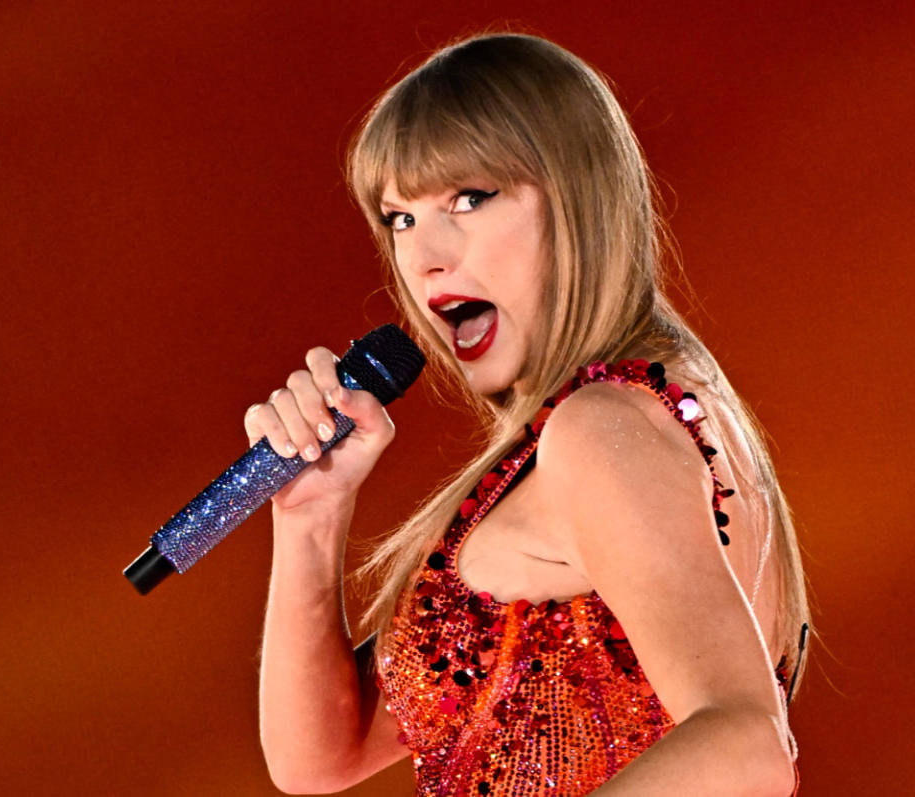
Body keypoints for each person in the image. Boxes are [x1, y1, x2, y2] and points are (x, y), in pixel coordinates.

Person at [250, 32, 810, 796]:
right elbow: (318, 758)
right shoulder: (640, 412)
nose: (425, 256)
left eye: (469, 199)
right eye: (399, 218)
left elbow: (748, 745)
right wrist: (311, 517)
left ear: (578, 199)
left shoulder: (600, 429)